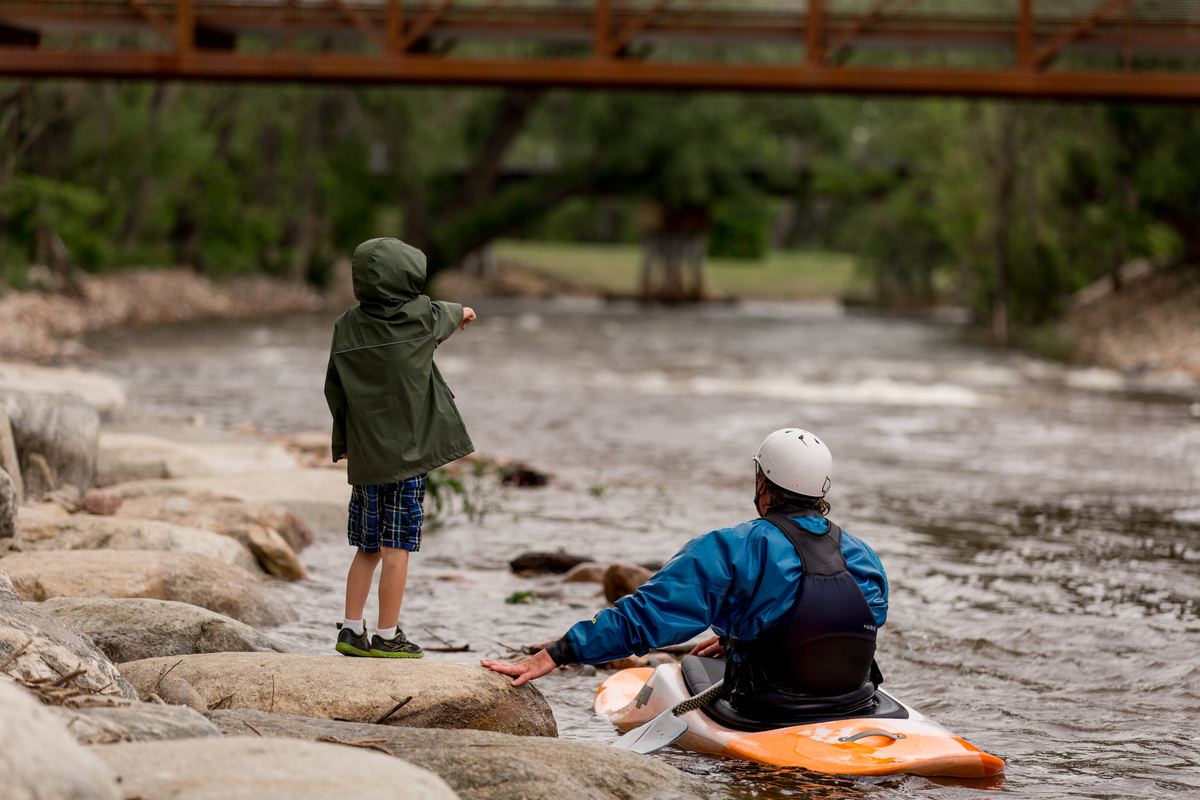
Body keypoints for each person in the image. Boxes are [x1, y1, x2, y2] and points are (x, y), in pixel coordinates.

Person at [483, 428, 888, 721]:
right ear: (821, 492)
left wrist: (558, 652)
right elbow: (853, 620)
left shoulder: (731, 547)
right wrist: (736, 636)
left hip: (766, 709)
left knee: (685, 669)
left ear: (764, 484)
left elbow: (647, 616)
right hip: (853, 700)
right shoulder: (862, 553)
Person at [325, 237, 476, 659]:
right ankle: (387, 635)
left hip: (368, 458)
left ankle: (351, 630)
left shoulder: (346, 326)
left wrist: (344, 443)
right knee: (398, 549)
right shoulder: (421, 317)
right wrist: (465, 312)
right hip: (409, 460)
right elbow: (451, 312)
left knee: (367, 548)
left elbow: (334, 389)